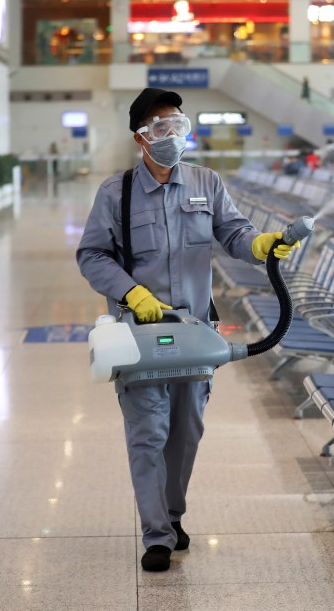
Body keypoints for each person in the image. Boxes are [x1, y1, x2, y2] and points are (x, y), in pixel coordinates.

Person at [76, 88, 300, 573]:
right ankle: (156, 534)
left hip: (197, 334)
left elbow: (234, 233)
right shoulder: (116, 193)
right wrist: (130, 292)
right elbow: (91, 255)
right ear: (141, 136)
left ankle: (172, 516)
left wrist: (259, 243)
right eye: (162, 126)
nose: (173, 134)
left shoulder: (206, 182)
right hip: (141, 337)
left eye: (179, 124)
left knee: (186, 433)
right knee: (147, 433)